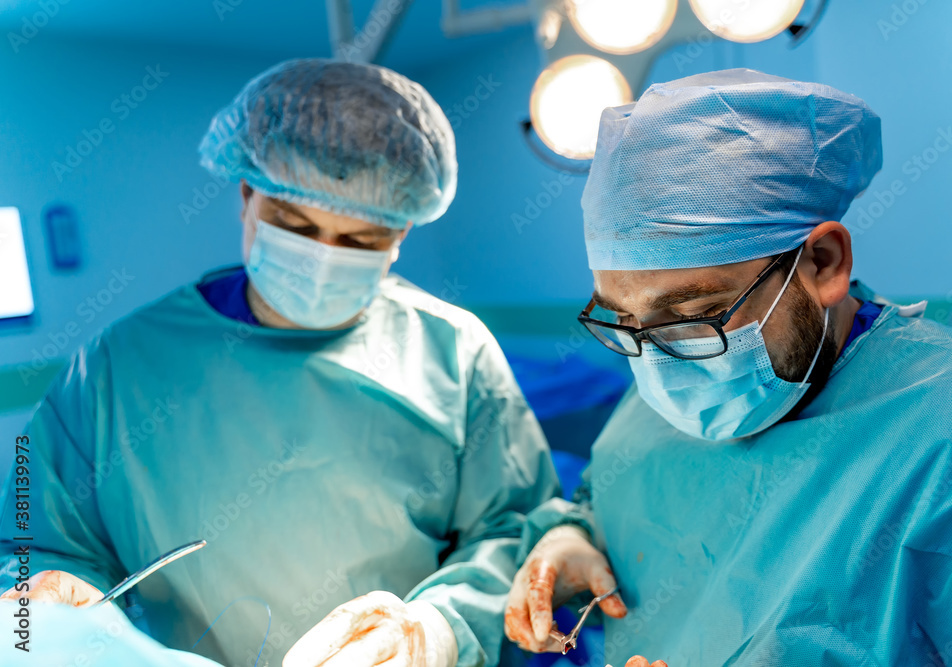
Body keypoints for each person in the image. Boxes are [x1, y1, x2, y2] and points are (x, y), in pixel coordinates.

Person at [0, 59, 559, 667]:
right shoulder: (116, 365)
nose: (322, 259)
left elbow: (516, 533)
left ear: (403, 233)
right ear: (246, 193)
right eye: (294, 225)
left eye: (361, 241)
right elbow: (38, 542)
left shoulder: (456, 351)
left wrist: (435, 631)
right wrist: (49, 595)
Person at [504, 69, 952, 666]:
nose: (661, 360)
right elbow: (610, 490)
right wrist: (574, 537)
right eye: (623, 322)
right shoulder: (665, 382)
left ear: (823, 262)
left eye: (697, 314)